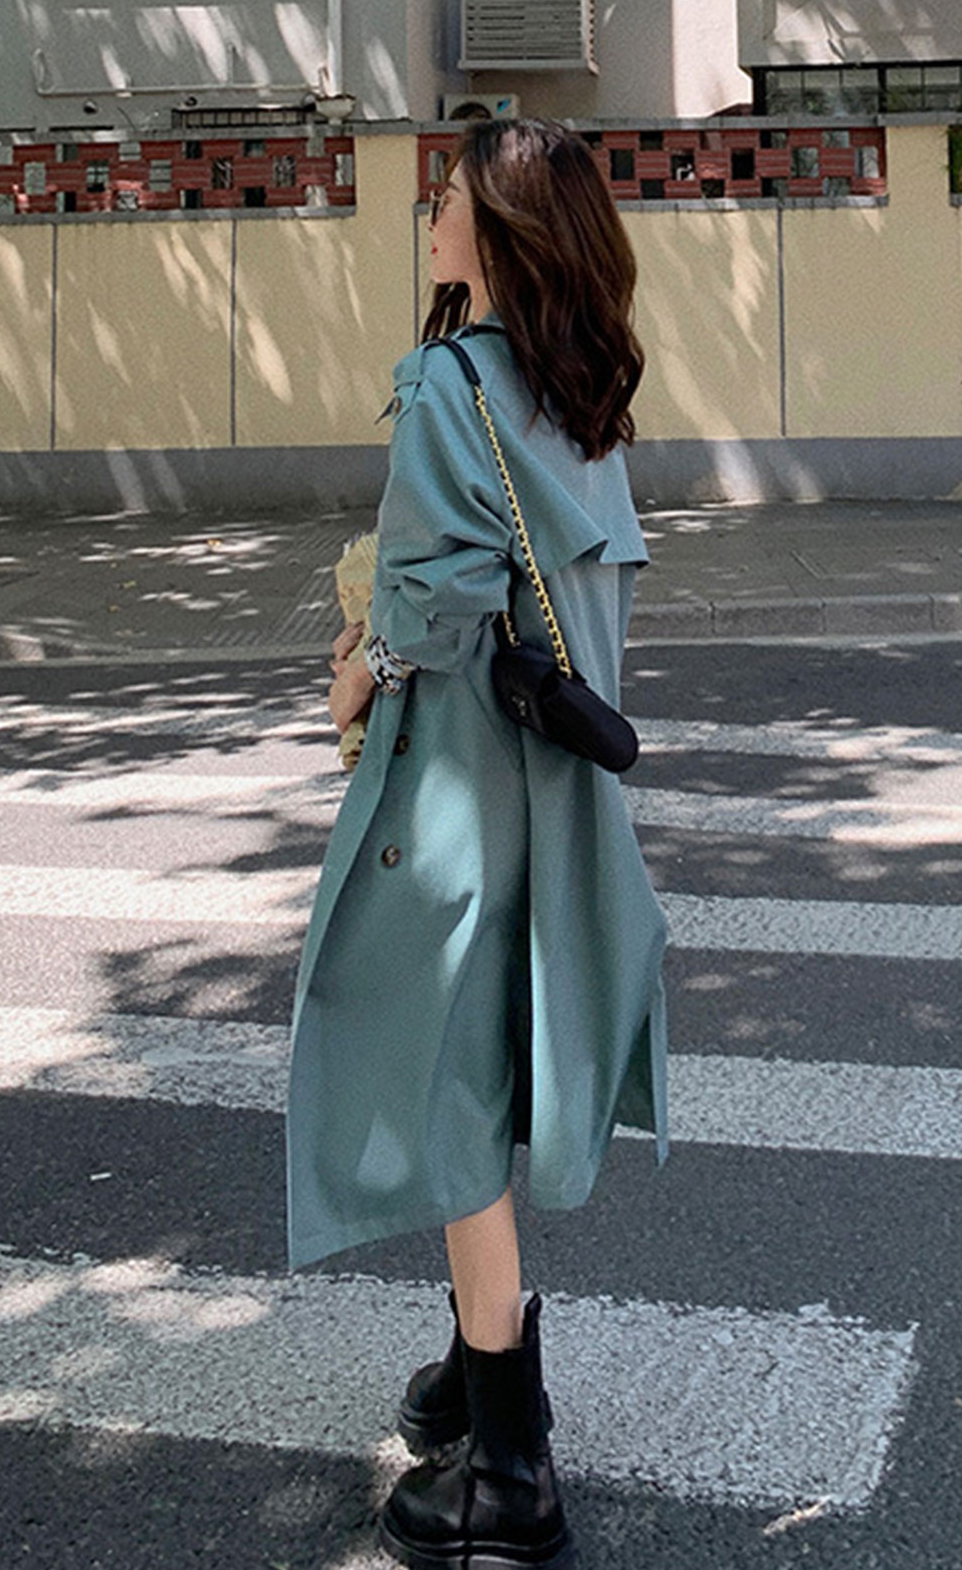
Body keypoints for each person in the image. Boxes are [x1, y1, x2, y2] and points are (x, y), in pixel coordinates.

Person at [285, 118, 669, 1570]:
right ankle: (479, 1362)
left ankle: (512, 1467)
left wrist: (357, 673)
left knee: (446, 1082)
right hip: (555, 786)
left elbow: (431, 607)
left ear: (498, 234)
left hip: (455, 783)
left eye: (445, 197)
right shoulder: (583, 390)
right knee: (498, 1050)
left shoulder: (450, 381)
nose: (429, 216)